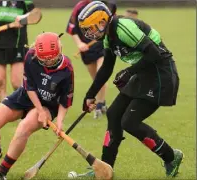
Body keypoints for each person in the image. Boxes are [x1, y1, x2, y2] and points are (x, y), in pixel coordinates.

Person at [77, 1, 183, 178]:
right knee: (114, 114)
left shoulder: (122, 27)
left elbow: (155, 54)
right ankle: (104, 169)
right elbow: (107, 68)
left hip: (160, 74)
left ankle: (171, 156)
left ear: (102, 21)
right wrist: (90, 95)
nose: (89, 33)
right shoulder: (107, 37)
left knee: (129, 122)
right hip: (143, 73)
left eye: (90, 28)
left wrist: (128, 72)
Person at [0, 32, 74, 180]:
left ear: (59, 51)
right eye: (43, 60)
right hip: (25, 96)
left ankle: (1, 173)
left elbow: (66, 98)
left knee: (23, 128)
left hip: (49, 104)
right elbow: (30, 87)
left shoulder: (67, 68)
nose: (47, 63)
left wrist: (59, 121)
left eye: (51, 59)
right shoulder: (31, 56)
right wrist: (38, 110)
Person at [66, 0, 116, 119]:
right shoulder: (79, 8)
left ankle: (99, 104)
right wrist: (79, 44)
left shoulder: (105, 5)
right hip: (87, 49)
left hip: (102, 45)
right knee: (95, 79)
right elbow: (71, 29)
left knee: (101, 74)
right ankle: (102, 103)